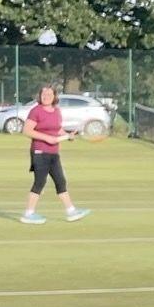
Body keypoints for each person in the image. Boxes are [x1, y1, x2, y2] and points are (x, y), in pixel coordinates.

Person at [18, 85, 90, 225]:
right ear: (40, 96)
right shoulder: (36, 111)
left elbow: (58, 129)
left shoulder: (56, 111)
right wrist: (46, 138)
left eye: (49, 94)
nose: (46, 96)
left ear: (54, 96)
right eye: (44, 94)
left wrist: (67, 135)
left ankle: (71, 211)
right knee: (40, 182)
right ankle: (28, 213)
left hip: (53, 153)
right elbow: (27, 130)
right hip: (39, 152)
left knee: (60, 181)